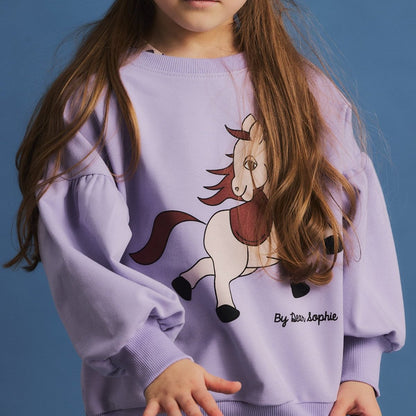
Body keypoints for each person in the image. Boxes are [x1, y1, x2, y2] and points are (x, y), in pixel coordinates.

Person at [6, 1, 405, 415]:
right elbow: (83, 261)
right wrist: (154, 357)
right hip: (167, 403)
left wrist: (359, 369)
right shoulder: (100, 103)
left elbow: (358, 236)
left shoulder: (308, 94)